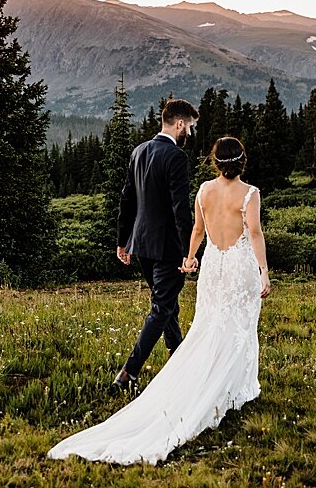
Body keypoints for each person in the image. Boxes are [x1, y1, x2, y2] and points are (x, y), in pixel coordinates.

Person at [50, 136, 271, 464]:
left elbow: (197, 230)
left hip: (213, 265)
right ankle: (233, 388)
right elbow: (254, 233)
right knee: (237, 327)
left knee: (209, 325)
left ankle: (216, 379)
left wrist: (190, 257)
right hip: (239, 268)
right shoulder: (250, 194)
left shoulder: (204, 191)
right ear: (242, 161)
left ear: (215, 162)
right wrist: (263, 271)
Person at [112, 99, 199, 390]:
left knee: (167, 305)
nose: (190, 132)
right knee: (162, 308)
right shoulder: (175, 157)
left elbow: (126, 200)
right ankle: (128, 373)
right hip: (168, 248)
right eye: (190, 127)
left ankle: (179, 356)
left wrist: (123, 241)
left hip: (142, 244)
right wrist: (189, 251)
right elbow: (180, 209)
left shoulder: (139, 151)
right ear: (179, 124)